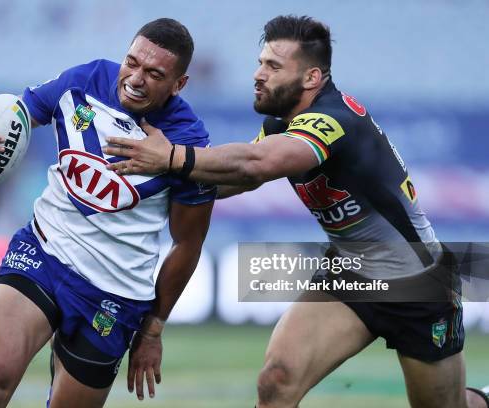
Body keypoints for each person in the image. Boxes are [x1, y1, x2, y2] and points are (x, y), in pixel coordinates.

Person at [103, 15, 489, 408]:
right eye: (260, 63)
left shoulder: (333, 122)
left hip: (416, 282)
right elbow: (242, 179)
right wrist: (151, 189)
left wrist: (169, 157)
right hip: (350, 272)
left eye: (273, 67)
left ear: (311, 78)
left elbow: (255, 165)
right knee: (277, 381)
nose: (257, 75)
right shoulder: (281, 124)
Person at [0, 18, 215, 408]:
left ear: (179, 84)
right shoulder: (84, 80)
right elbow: (11, 115)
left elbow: (188, 243)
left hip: (114, 291)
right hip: (44, 253)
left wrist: (152, 331)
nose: (135, 79)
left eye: (154, 74)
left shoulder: (187, 142)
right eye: (132, 62)